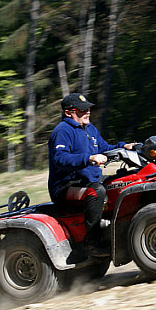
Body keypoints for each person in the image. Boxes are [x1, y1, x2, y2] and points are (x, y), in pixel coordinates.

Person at [48, 93, 134, 257]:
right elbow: (60, 159)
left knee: (121, 183)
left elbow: (105, 147)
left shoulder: (89, 128)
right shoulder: (62, 131)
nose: (87, 112)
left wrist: (125, 146)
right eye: (82, 110)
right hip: (66, 187)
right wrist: (88, 158)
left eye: (88, 108)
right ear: (68, 113)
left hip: (89, 180)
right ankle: (92, 242)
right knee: (95, 192)